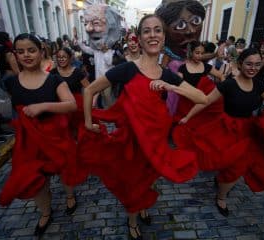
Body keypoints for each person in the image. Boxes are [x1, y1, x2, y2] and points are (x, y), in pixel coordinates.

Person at [82, 14, 207, 240]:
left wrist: (172, 86)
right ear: (139, 38)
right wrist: (88, 121)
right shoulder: (128, 70)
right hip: (131, 143)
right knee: (132, 182)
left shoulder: (168, 74)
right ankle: (132, 219)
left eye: (157, 30)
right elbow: (90, 90)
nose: (152, 35)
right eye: (147, 31)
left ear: (164, 36)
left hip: (155, 142)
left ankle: (143, 205)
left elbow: (202, 98)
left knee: (148, 179)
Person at [173, 48, 264, 217]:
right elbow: (206, 101)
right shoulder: (229, 84)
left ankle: (221, 197)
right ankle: (221, 179)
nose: (253, 68)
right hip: (226, 129)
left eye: (257, 65)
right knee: (220, 158)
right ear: (240, 64)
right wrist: (187, 117)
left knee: (237, 166)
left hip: (247, 132)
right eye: (249, 64)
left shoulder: (259, 84)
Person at [0, 33, 82, 238]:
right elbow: (18, 108)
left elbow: (71, 105)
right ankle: (45, 212)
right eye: (20, 51)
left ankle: (70, 196)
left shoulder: (54, 80)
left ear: (41, 52)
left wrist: (43, 106)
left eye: (31, 50)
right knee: (36, 178)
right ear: (15, 55)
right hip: (29, 141)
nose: (26, 55)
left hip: (55, 136)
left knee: (64, 169)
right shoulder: (10, 82)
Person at [80, 4, 122, 109]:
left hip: (108, 79)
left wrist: (106, 51)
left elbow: (109, 62)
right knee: (101, 96)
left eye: (96, 23)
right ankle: (105, 110)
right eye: (86, 24)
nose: (88, 28)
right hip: (98, 78)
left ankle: (111, 111)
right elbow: (89, 50)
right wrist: (80, 44)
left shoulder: (112, 51)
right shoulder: (96, 50)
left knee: (108, 97)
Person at [50, 47, 89, 135]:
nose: (61, 59)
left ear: (70, 58)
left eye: (64, 57)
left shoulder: (77, 72)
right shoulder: (53, 73)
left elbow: (89, 88)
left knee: (77, 130)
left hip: (77, 106)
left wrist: (91, 102)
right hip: (60, 107)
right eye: (59, 57)